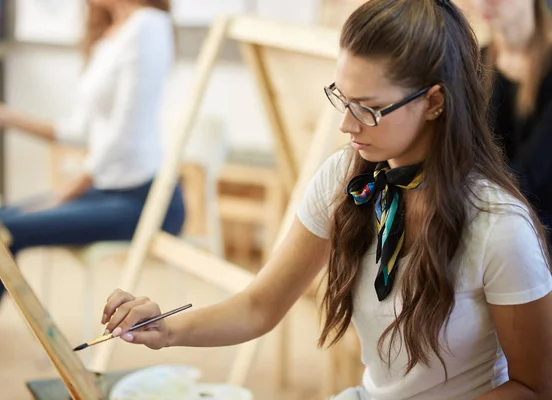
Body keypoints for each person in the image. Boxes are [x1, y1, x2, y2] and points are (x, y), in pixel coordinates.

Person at [99, 1, 552, 399]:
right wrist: (165, 329)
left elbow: (534, 388)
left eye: (369, 108)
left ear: (434, 101)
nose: (347, 126)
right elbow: (260, 305)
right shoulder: (345, 178)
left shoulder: (499, 227)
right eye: (343, 98)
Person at [0, 0, 185, 353]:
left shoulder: (148, 25)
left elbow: (122, 136)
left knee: (2, 232)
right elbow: (79, 131)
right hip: (109, 190)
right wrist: (1, 116)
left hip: (146, 199)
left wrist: (65, 191)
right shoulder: (112, 33)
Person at [471, 0, 552, 247]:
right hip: (491, 220)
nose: (482, 3)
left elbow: (534, 168)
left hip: (542, 228)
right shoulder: (476, 62)